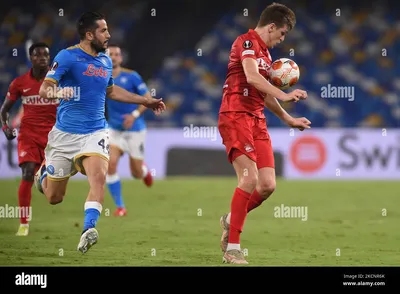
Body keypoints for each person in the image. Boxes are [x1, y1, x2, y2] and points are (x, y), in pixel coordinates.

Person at [34, 12, 165, 254]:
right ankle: (42, 175)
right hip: (64, 135)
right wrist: (58, 94)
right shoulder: (68, 57)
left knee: (99, 176)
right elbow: (45, 89)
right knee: (54, 197)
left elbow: (112, 92)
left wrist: (144, 101)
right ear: (89, 34)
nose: (109, 35)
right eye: (104, 31)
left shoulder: (104, 61)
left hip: (96, 131)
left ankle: (88, 229)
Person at [218, 2, 311, 264]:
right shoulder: (246, 43)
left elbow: (263, 93)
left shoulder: (267, 57)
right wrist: (285, 93)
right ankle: (233, 248)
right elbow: (250, 77)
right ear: (271, 26)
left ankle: (230, 219)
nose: (282, 40)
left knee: (267, 185)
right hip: (235, 115)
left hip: (257, 120)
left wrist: (288, 118)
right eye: (281, 34)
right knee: (248, 180)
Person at [0, 42, 57, 236]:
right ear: (30, 58)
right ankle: (24, 223)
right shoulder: (19, 83)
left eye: (45, 55)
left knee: (51, 186)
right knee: (27, 172)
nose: (42, 58)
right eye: (37, 55)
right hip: (28, 135)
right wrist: (5, 127)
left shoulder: (59, 81)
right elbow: (4, 110)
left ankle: (41, 177)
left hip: (53, 138)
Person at [105, 44, 153, 217]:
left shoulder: (131, 76)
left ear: (121, 58)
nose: (114, 57)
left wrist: (133, 115)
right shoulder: (102, 77)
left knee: (136, 173)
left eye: (117, 54)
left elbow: (147, 99)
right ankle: (120, 207)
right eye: (110, 54)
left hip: (135, 130)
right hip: (114, 129)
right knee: (110, 164)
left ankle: (144, 171)